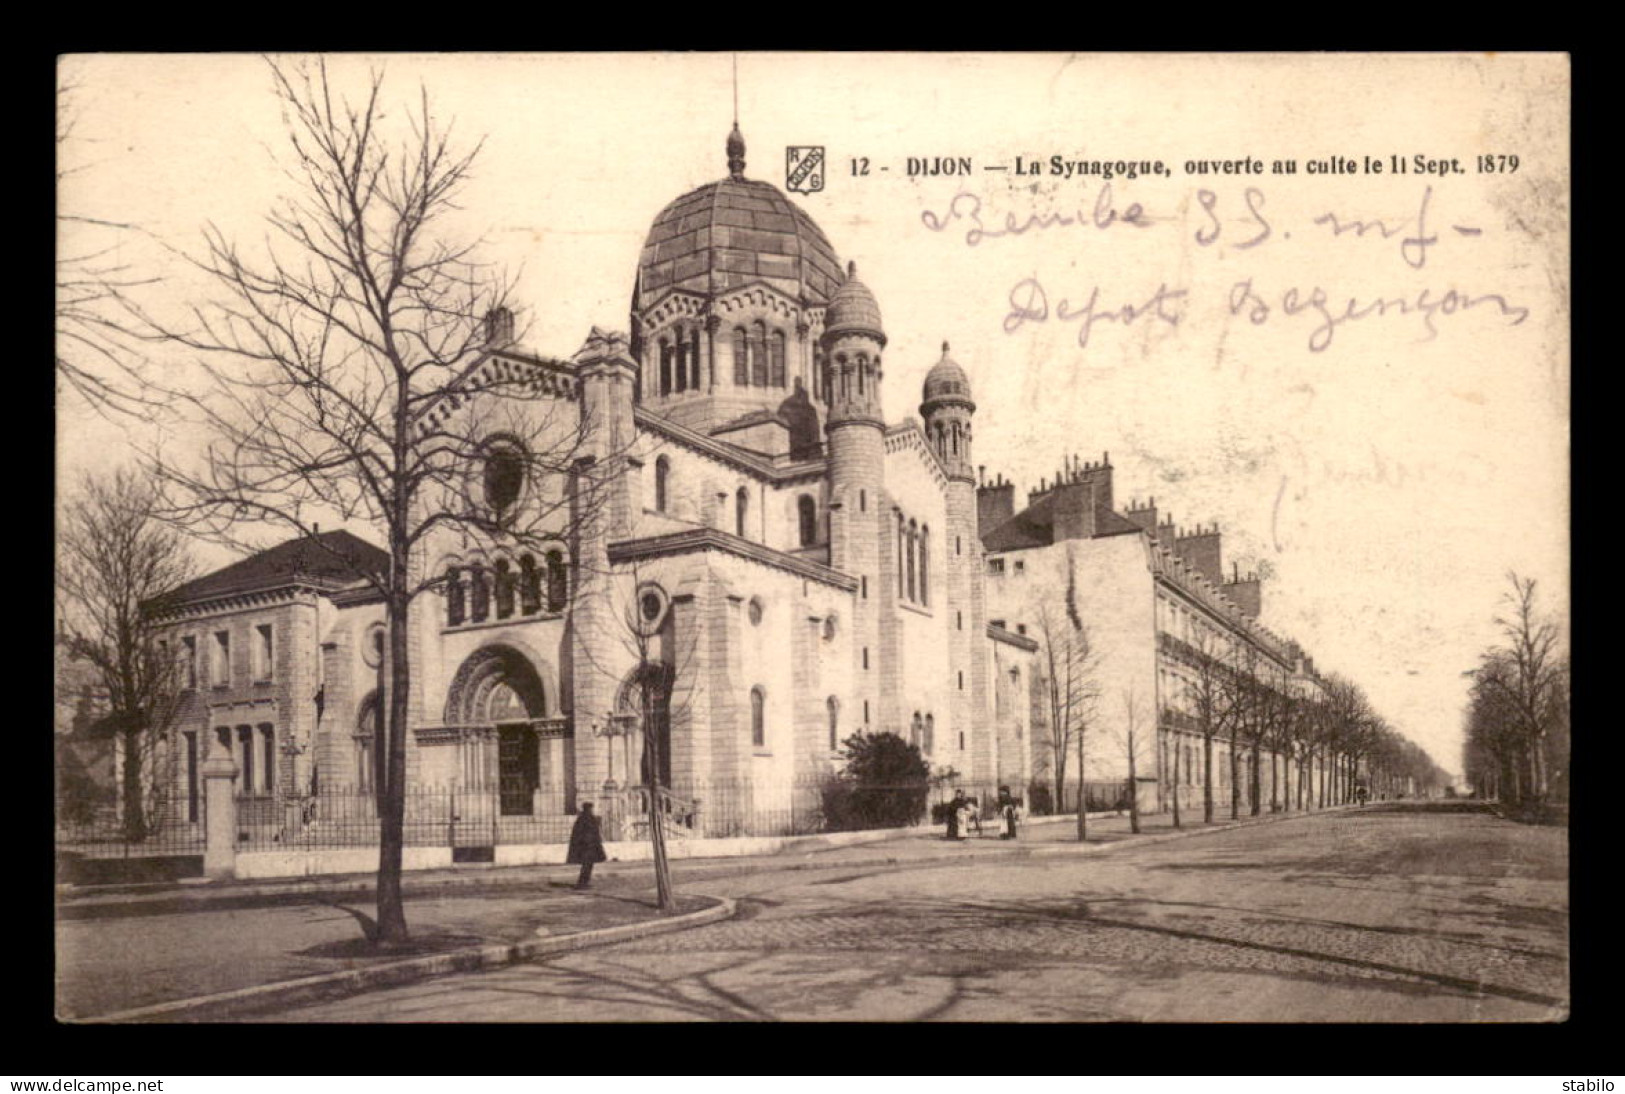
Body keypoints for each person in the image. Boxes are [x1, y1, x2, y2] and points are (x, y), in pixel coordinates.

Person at [567, 801, 607, 890]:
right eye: (591, 808)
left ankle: (584, 882)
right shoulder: (585, 818)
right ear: (588, 809)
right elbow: (582, 833)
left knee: (588, 865)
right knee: (587, 865)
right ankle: (581, 883)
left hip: (590, 846)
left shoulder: (584, 818)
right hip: (587, 847)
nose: (592, 810)